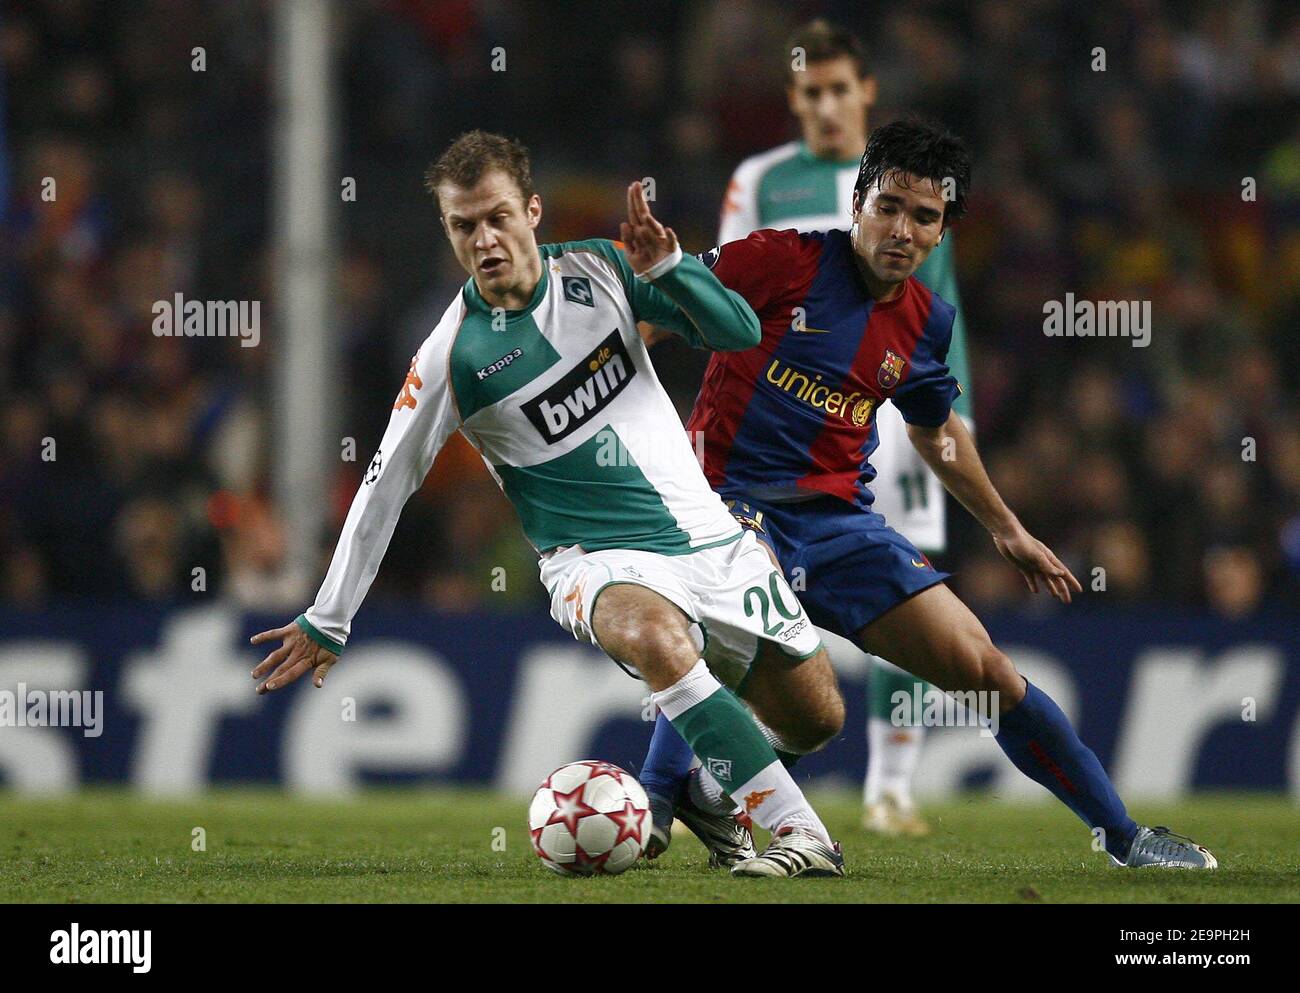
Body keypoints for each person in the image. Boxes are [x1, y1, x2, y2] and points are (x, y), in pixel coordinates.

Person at [249, 130, 848, 878]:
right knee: (658, 640)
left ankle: (706, 791)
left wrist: (669, 267)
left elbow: (738, 330)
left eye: (498, 216)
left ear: (533, 211)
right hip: (593, 559)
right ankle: (799, 832)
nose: (485, 238)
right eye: (464, 225)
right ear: (448, 233)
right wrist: (329, 617)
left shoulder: (600, 266)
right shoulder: (452, 357)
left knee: (817, 715)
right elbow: (383, 484)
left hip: (708, 534)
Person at [639, 118, 1217, 870]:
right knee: (730, 613)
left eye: (924, 216)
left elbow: (935, 430)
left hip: (837, 523)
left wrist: (1005, 528)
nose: (901, 230)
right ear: (857, 202)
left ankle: (1124, 835)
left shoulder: (923, 323)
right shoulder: (776, 259)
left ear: (944, 232)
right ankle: (653, 798)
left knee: (986, 671)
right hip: (725, 501)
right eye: (888, 206)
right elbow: (649, 319)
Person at [648, 19, 971, 837]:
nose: (826, 105)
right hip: (783, 419)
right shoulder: (763, 178)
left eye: (840, 89)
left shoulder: (914, 184)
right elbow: (732, 285)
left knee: (910, 592)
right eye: (811, 92)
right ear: (793, 99)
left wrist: (952, 420)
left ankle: (891, 785)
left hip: (894, 421)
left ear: (865, 92)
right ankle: (712, 778)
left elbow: (936, 307)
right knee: (746, 601)